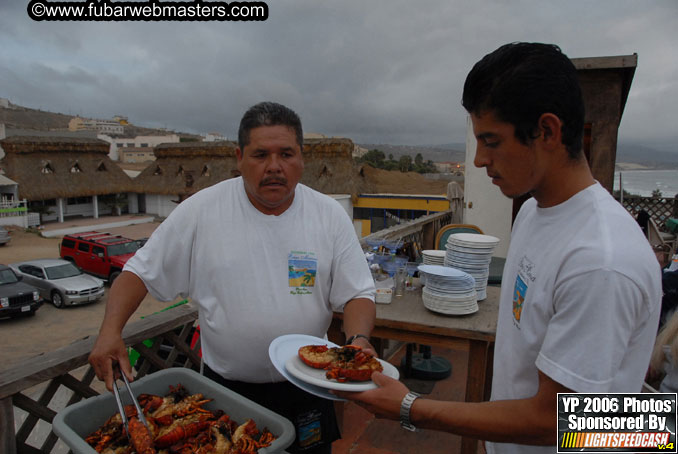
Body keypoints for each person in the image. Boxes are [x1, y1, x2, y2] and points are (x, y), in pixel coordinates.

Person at [337, 42, 662, 452]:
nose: (478, 161)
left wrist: (409, 406)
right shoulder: (532, 213)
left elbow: (560, 422)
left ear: (547, 131)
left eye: (491, 141)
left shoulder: (602, 261)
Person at [89, 101, 377, 454]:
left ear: (302, 158)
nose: (274, 167)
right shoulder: (201, 211)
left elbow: (358, 292)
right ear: (239, 158)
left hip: (307, 386)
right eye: (260, 155)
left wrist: (359, 340)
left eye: (286, 154)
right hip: (226, 392)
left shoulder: (328, 215)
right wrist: (109, 332)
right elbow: (138, 272)